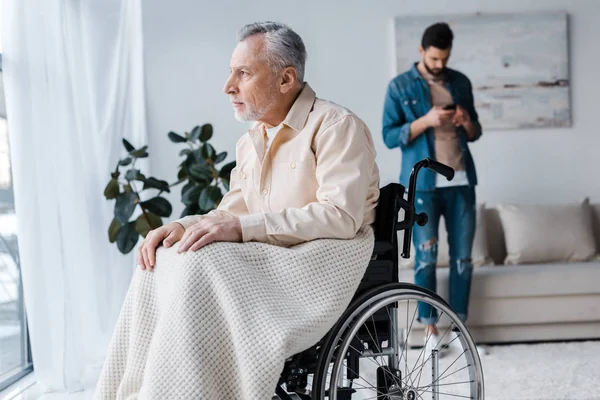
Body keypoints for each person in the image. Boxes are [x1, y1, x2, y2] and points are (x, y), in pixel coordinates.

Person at [94, 22, 379, 399]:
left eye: (243, 73)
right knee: (163, 257)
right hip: (273, 255)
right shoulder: (251, 141)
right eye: (232, 72)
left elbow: (340, 217)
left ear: (285, 79)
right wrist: (182, 225)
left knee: (200, 264)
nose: (228, 86)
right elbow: (232, 210)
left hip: (324, 257)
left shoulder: (335, 126)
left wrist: (242, 229)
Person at [382, 22, 482, 354]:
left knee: (463, 259)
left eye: (445, 58)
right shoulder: (399, 86)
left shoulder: (460, 82)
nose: (440, 65)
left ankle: (459, 330)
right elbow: (388, 135)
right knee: (425, 260)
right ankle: (429, 332)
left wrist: (465, 121)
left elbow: (475, 131)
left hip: (461, 182)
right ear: (421, 52)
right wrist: (425, 120)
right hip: (423, 185)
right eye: (435, 58)